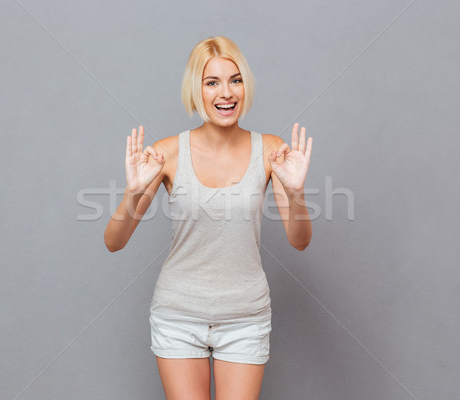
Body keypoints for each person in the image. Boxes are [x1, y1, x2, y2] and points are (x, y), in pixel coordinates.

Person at [104, 36, 313, 400]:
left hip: (245, 317)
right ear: (196, 90)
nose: (226, 93)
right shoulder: (166, 153)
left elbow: (300, 240)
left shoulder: (271, 150)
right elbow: (114, 242)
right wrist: (134, 192)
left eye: (235, 79)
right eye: (212, 82)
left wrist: (295, 193)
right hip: (178, 314)